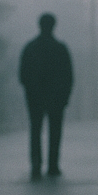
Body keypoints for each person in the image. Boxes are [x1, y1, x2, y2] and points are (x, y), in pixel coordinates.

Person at [19, 13, 74, 181]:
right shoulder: (60, 49)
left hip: (35, 97)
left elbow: (23, 75)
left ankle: (36, 165)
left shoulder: (30, 48)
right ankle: (53, 165)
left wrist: (30, 91)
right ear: (54, 26)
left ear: (39, 25)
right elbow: (68, 76)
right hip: (56, 98)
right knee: (55, 131)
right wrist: (65, 96)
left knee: (35, 130)